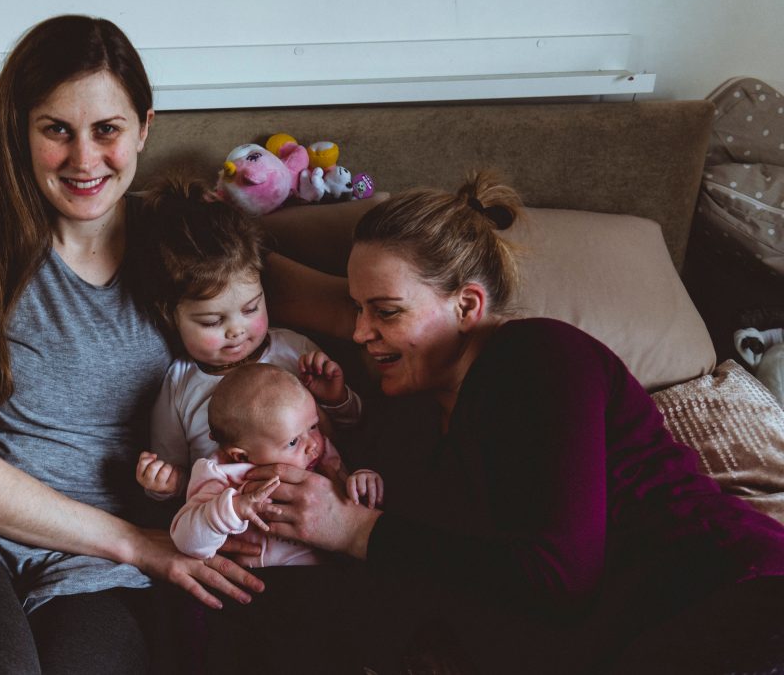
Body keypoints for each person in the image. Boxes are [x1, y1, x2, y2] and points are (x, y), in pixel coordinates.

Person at [0, 15, 263, 675]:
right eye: (56, 131)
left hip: (90, 578)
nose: (84, 159)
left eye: (107, 130)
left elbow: (343, 295)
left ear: (144, 128)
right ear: (20, 131)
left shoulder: (190, 246)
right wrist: (138, 544)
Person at [243, 173, 784, 674]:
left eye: (384, 311)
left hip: (730, 594)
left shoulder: (542, 358)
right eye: (356, 309)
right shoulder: (414, 406)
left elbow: (559, 576)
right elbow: (263, 289)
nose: (360, 331)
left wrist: (355, 531)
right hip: (631, 639)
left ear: (467, 306)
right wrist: (196, 222)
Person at [134, 178, 363, 501]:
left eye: (251, 308)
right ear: (171, 317)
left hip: (320, 507)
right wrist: (165, 484)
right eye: (213, 321)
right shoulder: (179, 386)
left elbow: (350, 427)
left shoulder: (294, 350)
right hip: (235, 530)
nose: (237, 330)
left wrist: (336, 398)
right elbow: (180, 477)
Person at [170, 363, 382, 567]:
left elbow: (343, 488)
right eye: (292, 442)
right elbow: (185, 541)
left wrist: (360, 480)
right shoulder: (222, 475)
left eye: (313, 426)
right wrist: (231, 511)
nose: (312, 444)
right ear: (241, 457)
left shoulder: (321, 453)